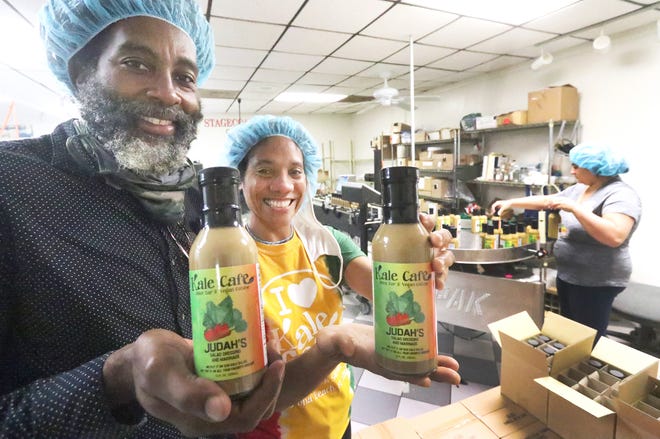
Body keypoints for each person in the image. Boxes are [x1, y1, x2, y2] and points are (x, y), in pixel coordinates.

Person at [0, 1, 287, 437]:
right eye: (137, 63)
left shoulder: (194, 195)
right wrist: (116, 379)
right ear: (82, 73)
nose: (169, 94)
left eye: (185, 77)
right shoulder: (12, 188)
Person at [222, 115, 461, 439]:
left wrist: (416, 259)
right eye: (264, 170)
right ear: (240, 179)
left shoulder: (327, 243)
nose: (283, 185)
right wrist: (337, 346)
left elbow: (388, 292)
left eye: (295, 171)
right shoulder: (228, 258)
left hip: (338, 419)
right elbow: (245, 395)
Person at [492, 143, 641, 342]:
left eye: (577, 166)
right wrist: (512, 202)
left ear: (596, 169)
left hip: (596, 280)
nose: (572, 171)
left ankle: (587, 371)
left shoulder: (620, 195)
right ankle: (568, 367)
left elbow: (614, 236)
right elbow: (549, 201)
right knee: (569, 331)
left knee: (588, 337)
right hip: (570, 275)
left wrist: (575, 209)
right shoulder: (582, 188)